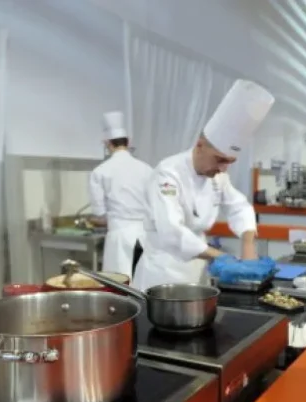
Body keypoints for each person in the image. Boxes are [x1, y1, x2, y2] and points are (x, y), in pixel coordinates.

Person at [132, 80, 275, 290]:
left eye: (229, 162)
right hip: (164, 273)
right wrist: (222, 257)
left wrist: (247, 242)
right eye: (219, 159)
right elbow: (171, 231)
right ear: (200, 146)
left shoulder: (217, 176)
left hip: (198, 268)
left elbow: (239, 206)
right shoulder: (168, 173)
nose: (224, 169)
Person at [88, 111, 153, 277]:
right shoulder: (147, 169)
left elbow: (99, 214)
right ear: (128, 142)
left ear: (107, 143)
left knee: (119, 286)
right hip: (147, 236)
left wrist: (94, 220)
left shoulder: (100, 172)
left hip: (119, 237)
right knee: (144, 283)